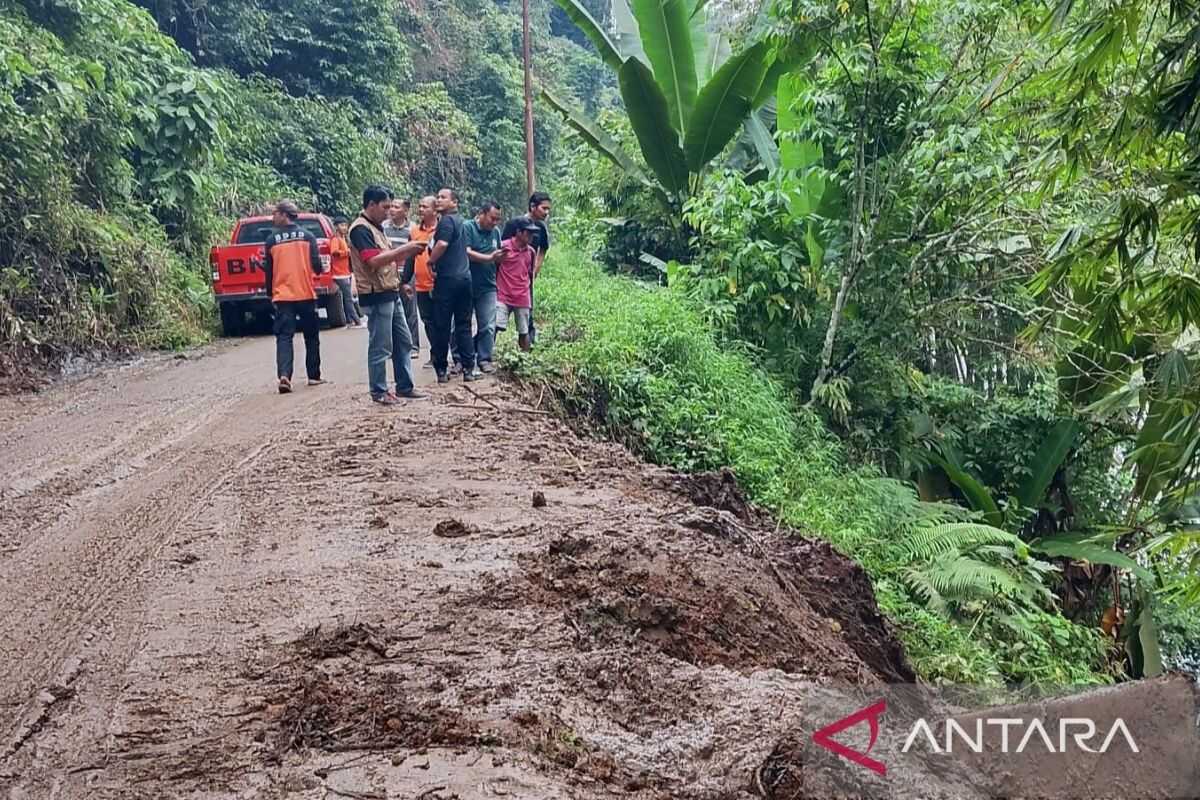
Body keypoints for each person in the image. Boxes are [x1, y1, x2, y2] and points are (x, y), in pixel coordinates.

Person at [348, 185, 429, 405]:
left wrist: (400, 284)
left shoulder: (377, 227)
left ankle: (405, 386)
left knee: (403, 341)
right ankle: (379, 391)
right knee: (381, 345)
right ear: (371, 205)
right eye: (385, 207)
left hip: (390, 291)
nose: (388, 212)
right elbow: (373, 261)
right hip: (376, 295)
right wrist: (406, 250)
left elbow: (386, 261)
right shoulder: (360, 229)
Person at [263, 200, 325, 394]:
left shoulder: (272, 240)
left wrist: (270, 293)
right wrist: (318, 270)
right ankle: (313, 376)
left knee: (284, 336)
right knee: (311, 336)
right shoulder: (308, 236)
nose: (273, 217)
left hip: (283, 296)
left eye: (275, 213)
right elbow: (316, 264)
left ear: (284, 215)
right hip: (306, 293)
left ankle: (284, 375)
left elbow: (269, 271)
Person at [427, 187, 479, 383]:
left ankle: (441, 369)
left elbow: (442, 244)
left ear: (454, 202)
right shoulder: (461, 221)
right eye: (437, 196)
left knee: (442, 325)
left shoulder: (447, 221)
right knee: (463, 326)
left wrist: (430, 261)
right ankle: (468, 369)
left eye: (443, 197)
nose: (438, 200)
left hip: (448, 280)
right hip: (465, 279)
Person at [502, 191, 551, 347]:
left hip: (525, 278)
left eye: (548, 209)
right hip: (507, 278)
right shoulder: (514, 224)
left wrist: (536, 269)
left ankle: (528, 350)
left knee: (526, 315)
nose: (547, 212)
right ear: (533, 206)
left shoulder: (541, 227)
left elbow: (543, 249)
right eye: (544, 208)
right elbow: (502, 248)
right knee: (497, 317)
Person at [464, 201, 503, 373]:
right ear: (482, 214)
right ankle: (461, 359)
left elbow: (498, 256)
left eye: (497, 219)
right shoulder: (468, 227)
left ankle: (484, 358)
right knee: (462, 324)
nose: (494, 222)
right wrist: (489, 258)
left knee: (488, 325)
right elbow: (466, 252)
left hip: (488, 285)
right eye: (492, 218)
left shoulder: (496, 232)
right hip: (466, 284)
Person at [404, 196, 439, 367]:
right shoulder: (414, 232)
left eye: (425, 207)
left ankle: (449, 356)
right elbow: (410, 258)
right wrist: (405, 281)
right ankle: (435, 354)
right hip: (421, 285)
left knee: (443, 321)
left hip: (440, 285)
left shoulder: (442, 230)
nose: (421, 210)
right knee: (428, 321)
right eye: (420, 206)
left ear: (435, 210)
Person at [382, 198, 420, 356]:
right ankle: (395, 347)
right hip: (389, 274)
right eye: (391, 206)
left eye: (397, 207)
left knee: (410, 310)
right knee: (391, 312)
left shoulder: (413, 228)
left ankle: (413, 346)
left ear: (406, 211)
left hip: (408, 273)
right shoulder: (384, 227)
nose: (392, 209)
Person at [495, 221, 539, 352]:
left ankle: (525, 357)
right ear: (519, 232)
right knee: (494, 326)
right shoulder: (503, 247)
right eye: (528, 233)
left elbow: (530, 275)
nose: (531, 236)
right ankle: (483, 356)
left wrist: (529, 296)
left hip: (522, 296)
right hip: (503, 294)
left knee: (524, 331)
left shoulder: (530, 252)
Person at [329, 216, 362, 328]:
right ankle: (357, 320)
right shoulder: (335, 239)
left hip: (345, 272)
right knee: (348, 298)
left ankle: (350, 320)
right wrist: (347, 252)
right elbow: (334, 252)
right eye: (342, 225)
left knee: (347, 298)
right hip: (339, 274)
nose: (344, 227)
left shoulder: (344, 238)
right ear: (336, 227)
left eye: (345, 225)